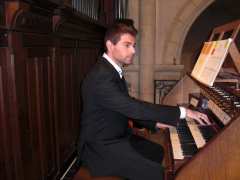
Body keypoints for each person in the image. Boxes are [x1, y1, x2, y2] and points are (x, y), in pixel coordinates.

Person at [77, 22, 210, 180]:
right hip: (100, 146)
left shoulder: (110, 69)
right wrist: (183, 112)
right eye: (127, 45)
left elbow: (125, 105)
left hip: (118, 136)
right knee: (156, 174)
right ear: (110, 45)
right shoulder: (101, 77)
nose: (133, 51)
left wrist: (154, 123)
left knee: (157, 151)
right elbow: (132, 107)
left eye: (133, 45)